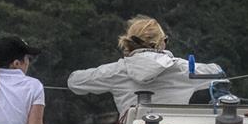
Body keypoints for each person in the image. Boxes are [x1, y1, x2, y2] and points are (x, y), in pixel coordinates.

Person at [67, 15, 223, 115]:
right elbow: (218, 72)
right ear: (162, 43)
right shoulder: (183, 69)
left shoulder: (116, 71)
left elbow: (74, 82)